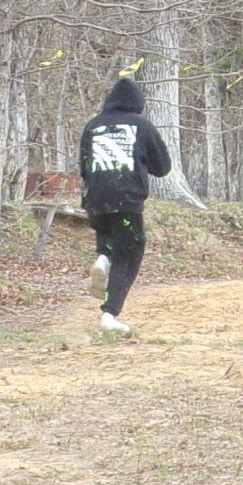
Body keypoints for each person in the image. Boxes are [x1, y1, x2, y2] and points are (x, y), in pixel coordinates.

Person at [78, 74, 171, 334]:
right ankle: (109, 315)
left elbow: (84, 167)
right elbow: (163, 167)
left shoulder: (92, 125)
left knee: (108, 239)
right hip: (127, 199)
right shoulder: (141, 126)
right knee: (129, 256)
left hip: (95, 199)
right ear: (137, 103)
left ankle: (103, 258)